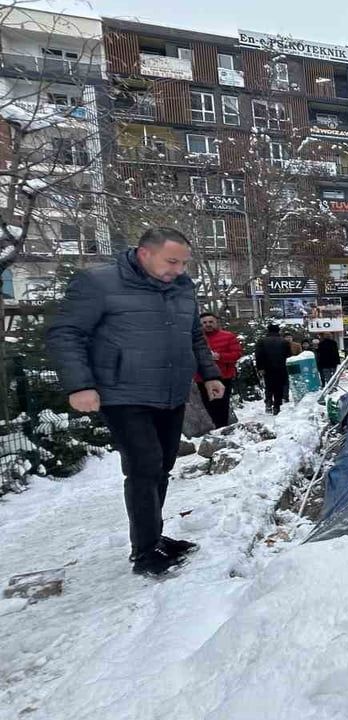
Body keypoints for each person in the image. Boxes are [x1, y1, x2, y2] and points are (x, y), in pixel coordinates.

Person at [46, 227, 223, 576]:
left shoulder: (182, 287)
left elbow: (193, 335)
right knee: (144, 467)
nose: (179, 270)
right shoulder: (98, 283)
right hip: (123, 392)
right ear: (144, 253)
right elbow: (65, 333)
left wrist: (211, 374)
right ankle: (144, 553)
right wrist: (80, 385)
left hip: (171, 391)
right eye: (172, 261)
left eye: (184, 263)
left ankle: (153, 536)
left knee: (163, 467)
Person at [198, 312, 243, 429]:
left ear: (216, 323)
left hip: (223, 376)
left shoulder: (228, 336)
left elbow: (236, 354)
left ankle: (222, 428)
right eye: (204, 322)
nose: (208, 325)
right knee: (207, 404)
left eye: (211, 322)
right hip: (201, 377)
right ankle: (213, 429)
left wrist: (219, 356)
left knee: (221, 405)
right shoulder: (196, 339)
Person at [255, 324, 293, 414]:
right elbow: (289, 356)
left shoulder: (261, 341)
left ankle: (268, 403)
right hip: (281, 368)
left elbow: (258, 355)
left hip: (267, 368)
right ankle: (277, 406)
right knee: (279, 387)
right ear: (278, 331)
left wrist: (260, 368)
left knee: (269, 386)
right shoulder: (284, 342)